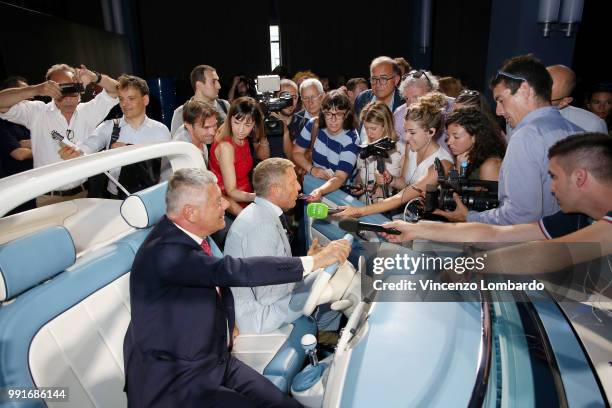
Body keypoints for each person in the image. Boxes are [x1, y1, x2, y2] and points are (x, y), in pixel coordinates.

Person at [123, 167, 351, 408]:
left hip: (215, 360)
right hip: (178, 381)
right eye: (216, 201)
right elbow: (234, 271)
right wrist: (314, 261)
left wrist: (227, 323)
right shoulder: (165, 252)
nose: (225, 205)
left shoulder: (188, 235)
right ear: (190, 212)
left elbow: (209, 284)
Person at [382, 133, 612, 274]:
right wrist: (416, 229)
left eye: (554, 177)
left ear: (579, 177)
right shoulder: (575, 217)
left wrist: (465, 268)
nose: (551, 188)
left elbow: (550, 256)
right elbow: (495, 233)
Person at [440, 54, 583, 225]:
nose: (499, 111)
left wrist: (470, 217)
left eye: (501, 100)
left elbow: (521, 215)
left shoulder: (525, 137)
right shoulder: (580, 133)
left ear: (524, 90)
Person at [0, 63, 119, 205]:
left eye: (72, 90)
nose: (68, 99)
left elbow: (117, 90)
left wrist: (95, 77)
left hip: (83, 193)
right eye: (61, 91)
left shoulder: (88, 111)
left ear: (80, 89)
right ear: (50, 90)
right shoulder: (38, 112)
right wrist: (36, 89)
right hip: (48, 198)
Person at [225, 158, 321, 333]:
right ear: (275, 190)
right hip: (261, 317)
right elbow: (268, 294)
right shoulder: (261, 226)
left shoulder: (263, 214)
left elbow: (275, 270)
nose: (299, 188)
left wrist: (308, 262)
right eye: (293, 183)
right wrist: (308, 267)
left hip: (269, 304)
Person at [337, 99, 453, 219]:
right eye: (405, 131)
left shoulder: (442, 164)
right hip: (406, 217)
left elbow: (401, 197)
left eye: (412, 133)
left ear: (431, 132)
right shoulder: (410, 147)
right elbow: (404, 182)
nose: (406, 137)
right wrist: (391, 180)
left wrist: (358, 211)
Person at [60, 74, 170, 197]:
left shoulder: (160, 130)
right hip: (115, 198)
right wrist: (75, 152)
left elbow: (167, 170)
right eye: (121, 99)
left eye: (131, 98)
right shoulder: (109, 127)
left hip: (152, 195)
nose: (124, 104)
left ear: (145, 100)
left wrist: (129, 149)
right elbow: (89, 146)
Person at [292, 90, 359, 201]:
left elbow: (340, 177)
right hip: (314, 185)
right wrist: (312, 169)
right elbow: (297, 152)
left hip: (341, 193)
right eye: (328, 114)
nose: (333, 120)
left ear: (347, 115)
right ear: (323, 113)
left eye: (338, 114)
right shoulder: (314, 124)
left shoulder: (351, 139)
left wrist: (320, 191)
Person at [209, 97, 269, 214]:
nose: (241, 130)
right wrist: (260, 197)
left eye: (247, 125)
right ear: (229, 119)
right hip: (229, 204)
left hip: (246, 196)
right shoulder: (226, 147)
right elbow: (231, 191)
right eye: (236, 122)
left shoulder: (243, 138)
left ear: (254, 125)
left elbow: (264, 160)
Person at [353, 101, 404, 203]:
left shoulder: (401, 151)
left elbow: (407, 187)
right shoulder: (365, 147)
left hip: (389, 211)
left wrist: (388, 190)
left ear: (385, 125)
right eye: (366, 128)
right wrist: (359, 186)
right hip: (363, 206)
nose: (369, 133)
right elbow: (359, 174)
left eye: (373, 128)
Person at [0, 76, 34, 213]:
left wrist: (30, 143)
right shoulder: (2, 123)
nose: (29, 97)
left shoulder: (31, 117)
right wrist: (46, 146)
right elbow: (19, 153)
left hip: (37, 186)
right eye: (24, 92)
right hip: (17, 195)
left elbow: (56, 138)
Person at [444, 107, 505, 181]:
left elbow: (454, 191)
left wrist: (460, 171)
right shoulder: (463, 158)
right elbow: (450, 190)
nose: (449, 142)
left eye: (456, 137)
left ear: (474, 137)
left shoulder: (490, 166)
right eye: (448, 136)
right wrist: (459, 169)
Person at [546, 65, 607, 134]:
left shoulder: (591, 126)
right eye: (533, 93)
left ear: (564, 102)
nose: (535, 101)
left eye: (545, 99)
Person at [170, 65, 230, 136]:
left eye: (218, 81)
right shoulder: (181, 113)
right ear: (199, 85)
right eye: (213, 82)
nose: (219, 86)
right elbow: (178, 145)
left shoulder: (225, 106)